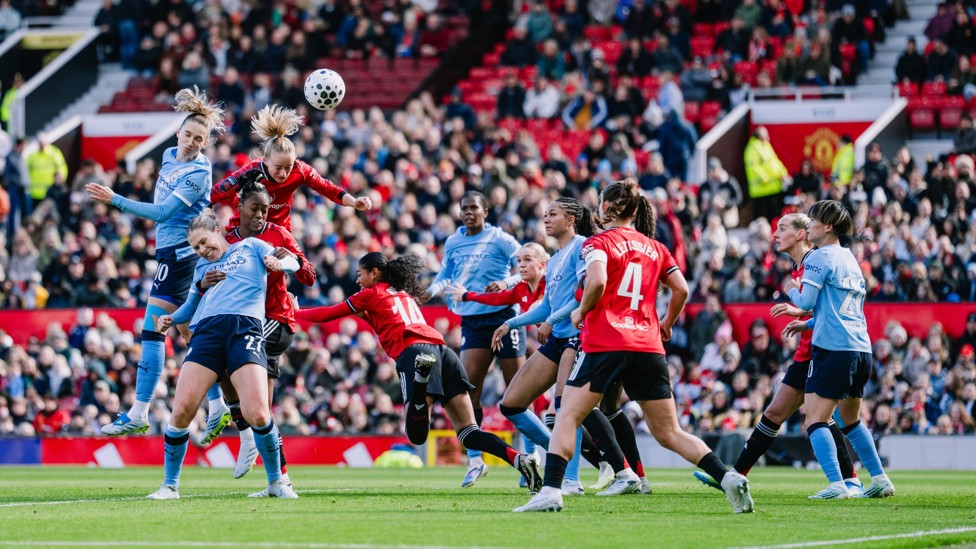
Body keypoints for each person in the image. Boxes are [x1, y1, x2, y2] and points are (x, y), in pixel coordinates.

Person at [514, 178, 754, 513]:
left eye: (600, 202)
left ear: (608, 208)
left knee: (566, 414)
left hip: (606, 341)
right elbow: (681, 289)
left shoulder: (598, 243)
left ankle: (552, 491)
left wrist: (582, 310)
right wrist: (666, 323)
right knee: (670, 431)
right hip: (648, 345)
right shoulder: (656, 247)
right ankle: (728, 479)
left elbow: (596, 281)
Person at [296, 252, 542, 492]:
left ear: (374, 273)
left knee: (416, 435)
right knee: (469, 432)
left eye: (360, 274)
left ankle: (421, 381)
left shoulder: (370, 294)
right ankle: (520, 459)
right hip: (443, 351)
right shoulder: (403, 294)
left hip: (413, 353)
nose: (357, 280)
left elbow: (328, 313)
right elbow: (381, 321)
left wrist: (295, 312)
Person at [86, 87, 225, 436]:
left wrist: (115, 199)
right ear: (178, 133)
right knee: (190, 335)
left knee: (152, 329)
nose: (192, 142)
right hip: (170, 253)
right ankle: (221, 405)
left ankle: (139, 411)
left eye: (199, 139)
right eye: (189, 135)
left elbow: (164, 212)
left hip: (181, 256)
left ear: (206, 143)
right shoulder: (167, 155)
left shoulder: (198, 173)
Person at [693, 213, 863, 495]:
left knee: (822, 417)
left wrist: (797, 304)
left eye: (782, 228)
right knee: (776, 412)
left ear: (800, 234)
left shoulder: (815, 261)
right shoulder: (800, 266)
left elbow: (827, 306)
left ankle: (850, 480)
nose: (775, 234)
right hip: (806, 350)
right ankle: (733, 476)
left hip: (822, 350)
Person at [148, 209, 300, 500]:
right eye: (196, 248)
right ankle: (169, 486)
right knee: (181, 411)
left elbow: (290, 259)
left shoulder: (251, 246)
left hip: (246, 329)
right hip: (207, 333)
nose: (203, 250)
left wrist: (278, 264)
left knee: (257, 412)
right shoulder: (201, 270)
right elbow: (190, 306)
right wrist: (170, 319)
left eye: (204, 242)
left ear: (217, 230)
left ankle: (276, 483)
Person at [201, 173, 317, 489]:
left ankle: (244, 433)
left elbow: (309, 274)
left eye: (264, 210)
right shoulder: (227, 239)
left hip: (275, 320)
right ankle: (279, 480)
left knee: (223, 353)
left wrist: (287, 263)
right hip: (248, 321)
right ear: (240, 206)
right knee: (262, 412)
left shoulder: (278, 234)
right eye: (254, 208)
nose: (260, 215)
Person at [783, 200, 895, 499]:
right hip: (861, 348)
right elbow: (835, 309)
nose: (808, 226)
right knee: (851, 421)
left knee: (815, 419)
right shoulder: (850, 259)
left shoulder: (819, 257)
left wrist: (790, 289)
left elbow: (805, 302)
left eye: (813, 221)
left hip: (835, 349)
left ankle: (837, 484)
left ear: (828, 226)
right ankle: (881, 479)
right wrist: (806, 327)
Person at [420, 191, 526, 488]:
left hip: (504, 317)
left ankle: (531, 455)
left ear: (485, 211)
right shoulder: (453, 241)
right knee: (468, 392)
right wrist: (430, 292)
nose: (468, 212)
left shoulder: (501, 239)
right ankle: (476, 460)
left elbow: (527, 266)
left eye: (474, 208)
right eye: (464, 208)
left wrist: (506, 282)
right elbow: (446, 275)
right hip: (472, 320)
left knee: (518, 393)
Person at [211, 104, 373, 232]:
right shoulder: (252, 170)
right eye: (278, 167)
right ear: (266, 161)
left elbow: (328, 188)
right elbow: (221, 190)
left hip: (280, 229)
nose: (283, 173)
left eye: (288, 167)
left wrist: (353, 202)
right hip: (246, 228)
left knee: (303, 271)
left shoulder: (300, 170)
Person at [744, 126, 790, 222]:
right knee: (762, 217)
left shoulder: (765, 145)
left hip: (772, 187)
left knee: (775, 216)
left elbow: (774, 162)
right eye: (766, 135)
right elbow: (753, 167)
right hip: (761, 189)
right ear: (760, 136)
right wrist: (766, 178)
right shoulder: (753, 148)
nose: (768, 137)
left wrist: (783, 173)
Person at [26, 138, 67, 205]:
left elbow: (62, 168)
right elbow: (26, 169)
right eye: (40, 144)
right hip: (35, 192)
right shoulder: (33, 155)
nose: (41, 146)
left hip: (50, 191)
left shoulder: (54, 153)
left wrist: (60, 182)